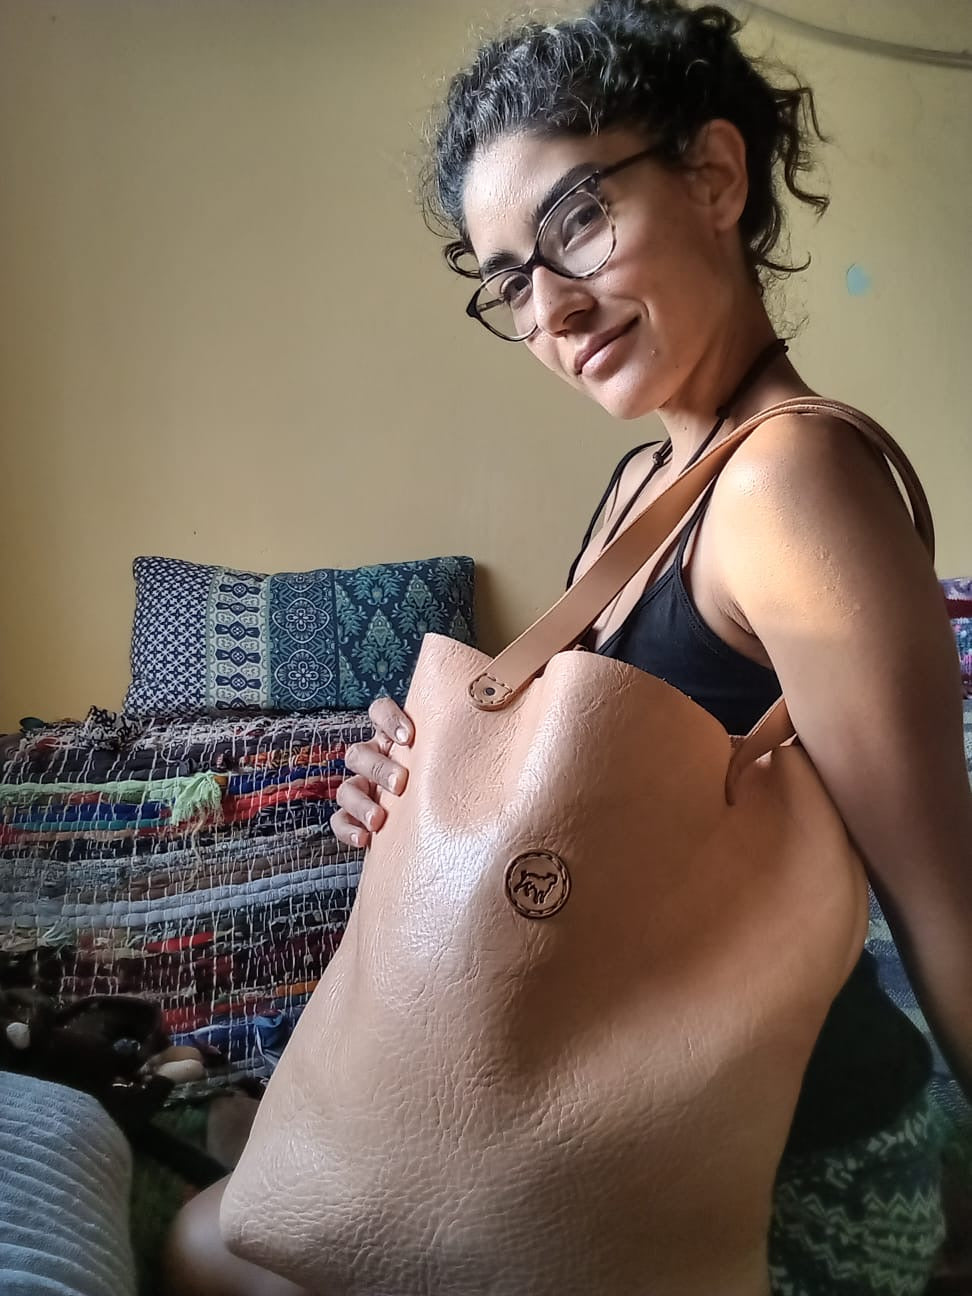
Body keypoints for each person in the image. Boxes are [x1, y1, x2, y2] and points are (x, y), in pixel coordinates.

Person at [165, 2, 972, 1292]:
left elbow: (943, 902)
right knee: (234, 1225)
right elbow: (597, 813)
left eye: (579, 221)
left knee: (214, 1246)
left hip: (780, 1165)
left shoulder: (794, 484)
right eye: (506, 279)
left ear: (714, 176)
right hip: (603, 1099)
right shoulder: (650, 484)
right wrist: (428, 798)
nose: (549, 308)